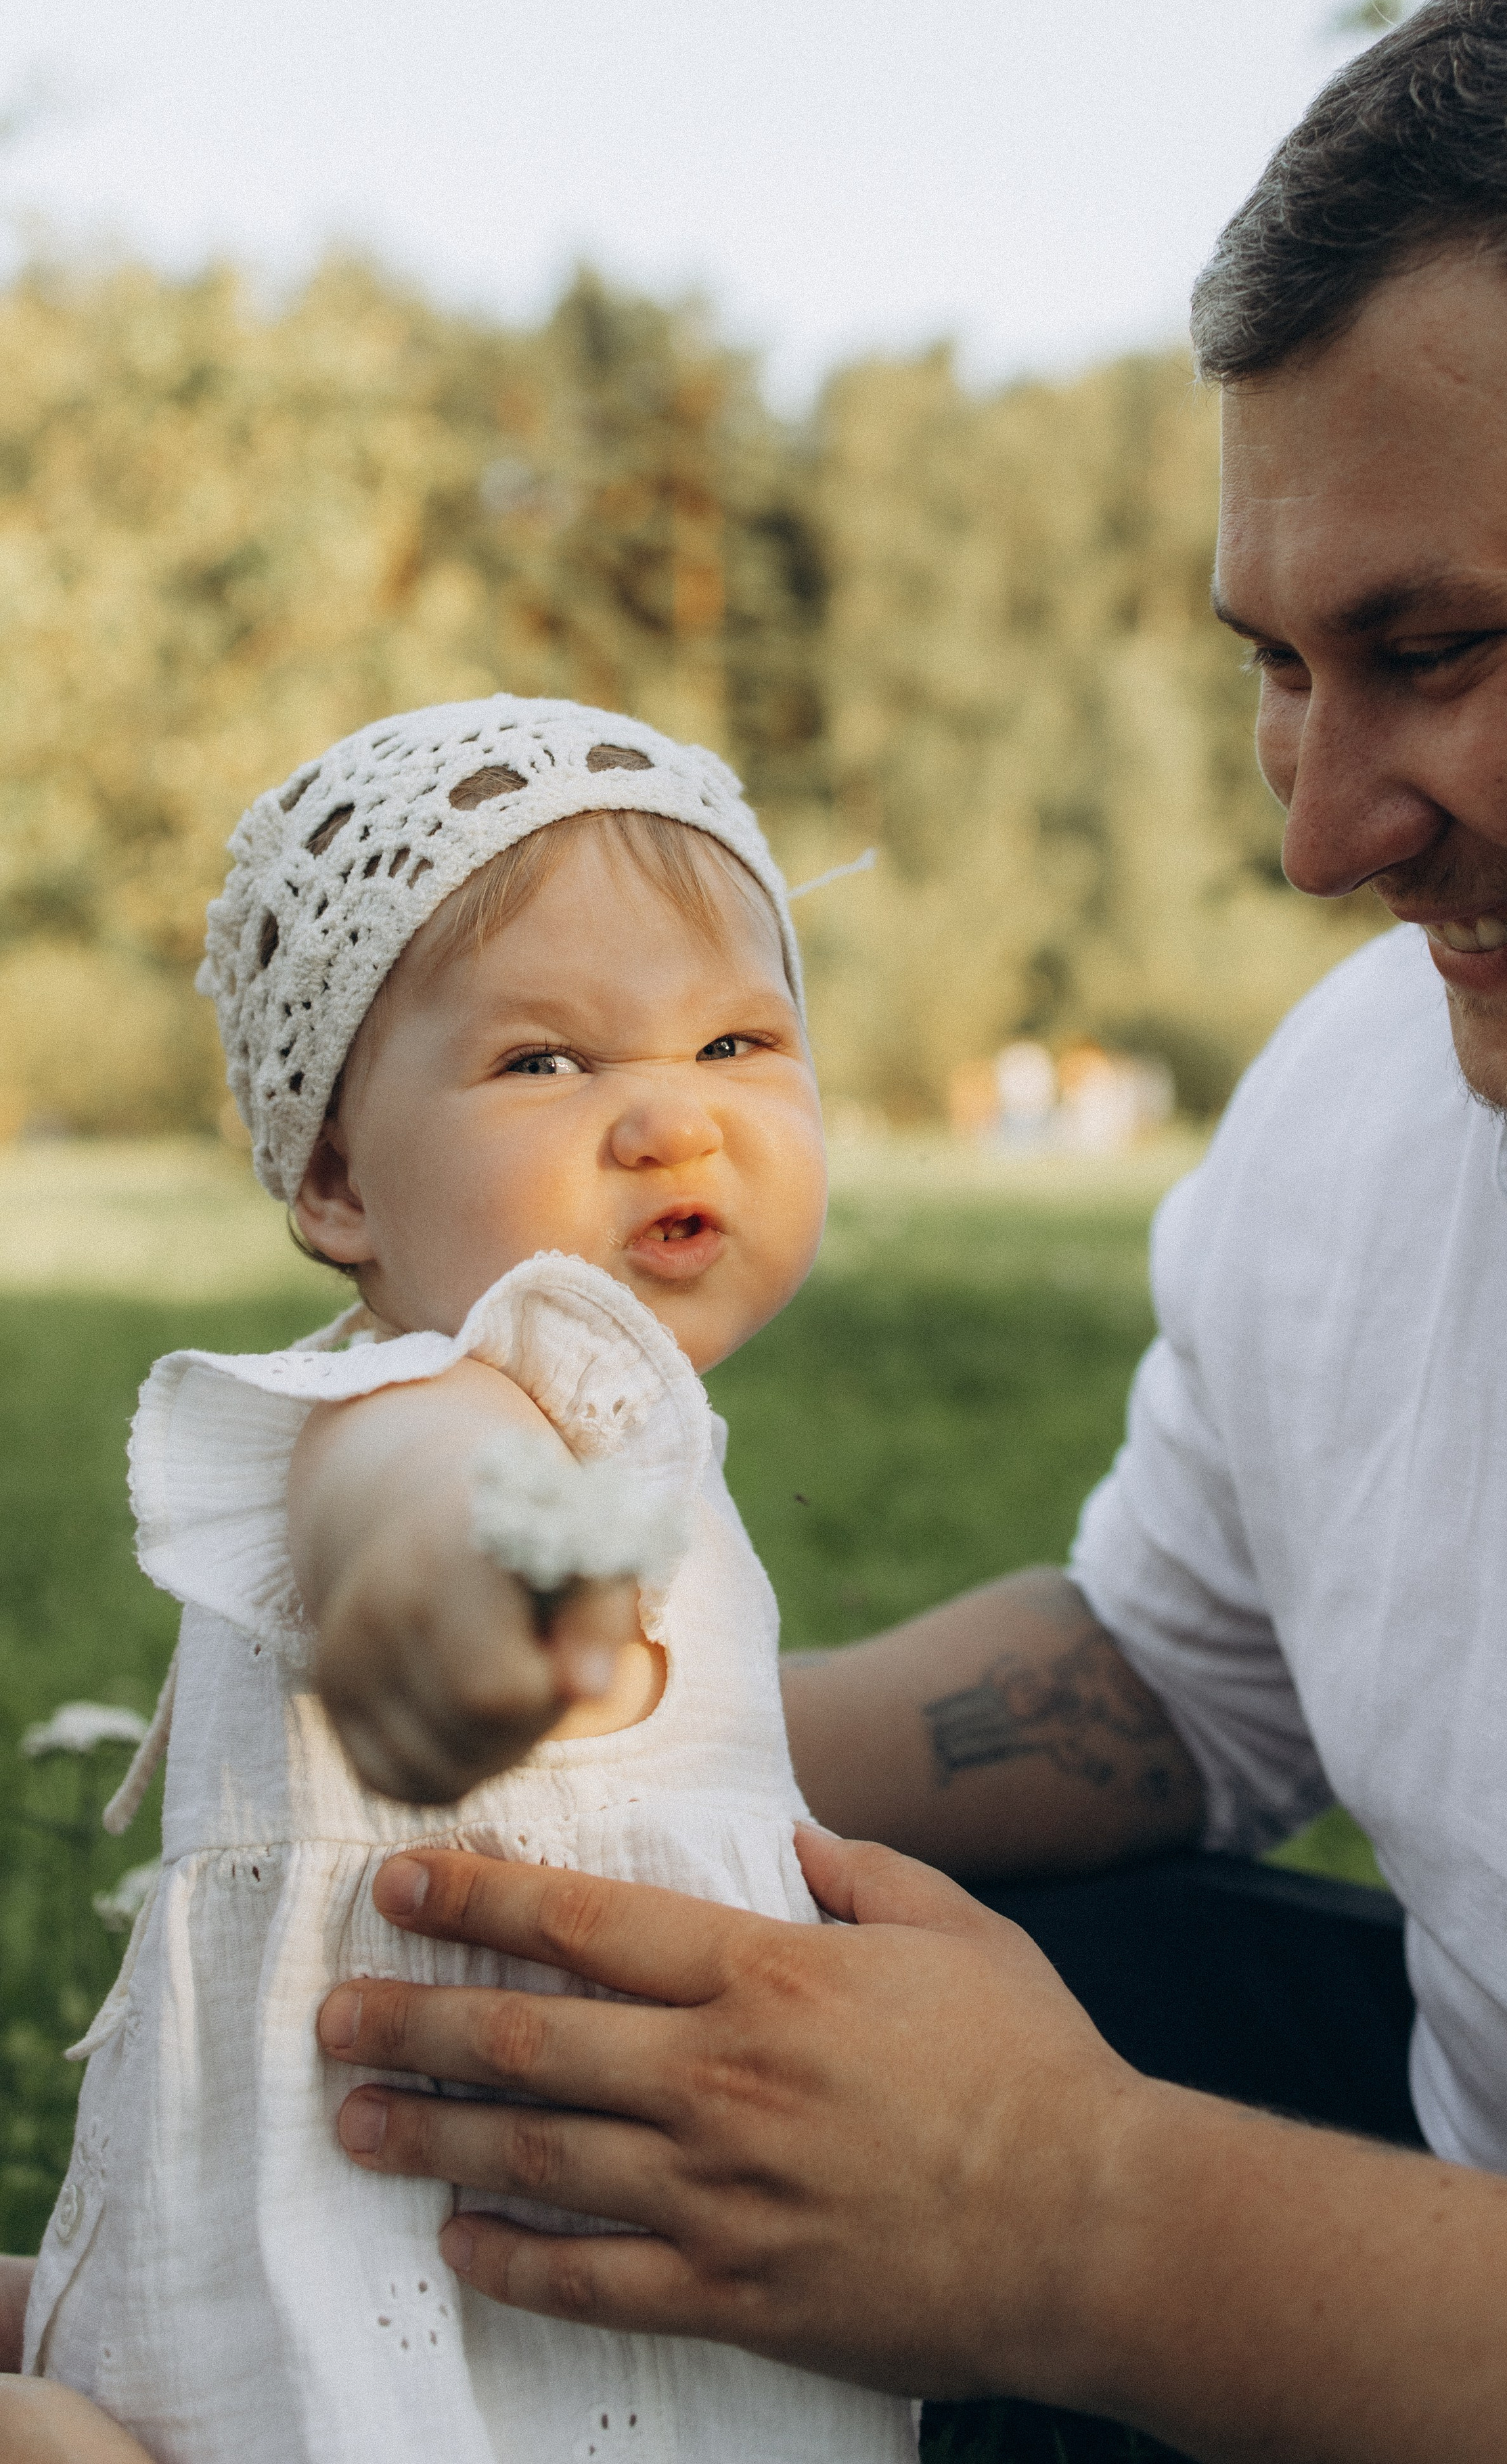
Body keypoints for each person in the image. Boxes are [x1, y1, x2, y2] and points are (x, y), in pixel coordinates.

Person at [288, 0, 1507, 2463]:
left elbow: (1088, 2209)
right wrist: (534, 1765)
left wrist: (1073, 2215)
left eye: (1436, 648)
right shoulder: (1368, 1099)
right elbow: (1175, 1684)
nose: (1316, 832)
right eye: (1276, 665)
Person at [19, 699, 918, 2463]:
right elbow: (396, 1476)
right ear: (341, 1175)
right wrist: (455, 1586)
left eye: (739, 1039)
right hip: (431, 2273)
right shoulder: (484, 1379)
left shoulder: (607, 1403)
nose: (670, 1119)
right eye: (545, 1064)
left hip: (514, 2197)